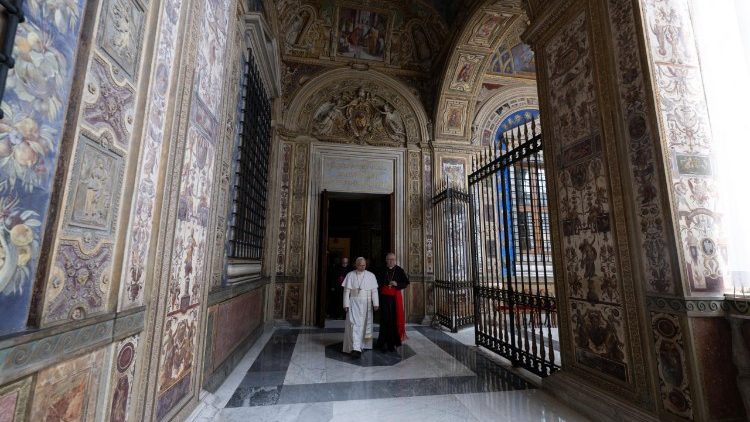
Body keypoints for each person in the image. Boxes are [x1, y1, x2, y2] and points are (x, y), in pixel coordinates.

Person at [342, 257, 379, 357]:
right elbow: (346, 291)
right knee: (353, 324)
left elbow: (374, 291)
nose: (362, 267)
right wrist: (345, 304)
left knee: (364, 325)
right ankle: (355, 348)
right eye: (360, 265)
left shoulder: (371, 275)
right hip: (353, 302)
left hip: (366, 303)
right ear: (356, 265)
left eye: (364, 265)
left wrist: (376, 303)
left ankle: (362, 345)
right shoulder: (350, 275)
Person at [376, 253, 409, 352]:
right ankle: (383, 342)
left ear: (395, 260)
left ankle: (392, 342)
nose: (391, 261)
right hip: (384, 299)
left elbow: (406, 283)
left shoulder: (399, 270)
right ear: (386, 260)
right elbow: (377, 283)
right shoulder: (382, 270)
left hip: (395, 299)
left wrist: (397, 283)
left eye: (393, 259)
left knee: (393, 320)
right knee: (384, 320)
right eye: (389, 259)